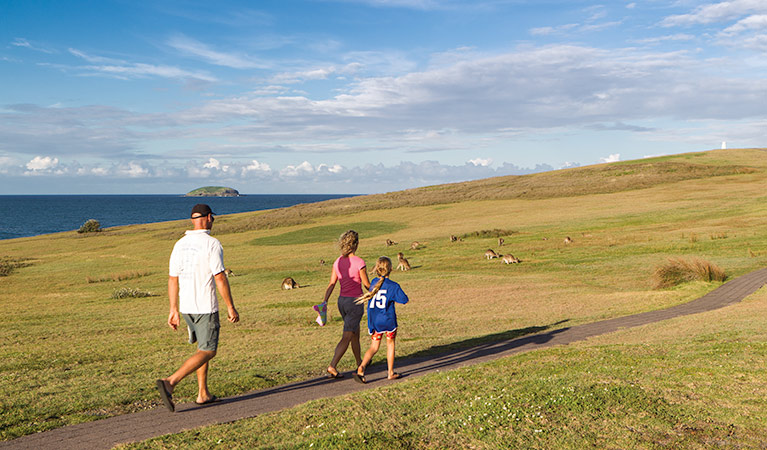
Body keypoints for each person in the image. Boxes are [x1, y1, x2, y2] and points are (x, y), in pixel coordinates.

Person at [155, 204, 239, 412]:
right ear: (209, 218)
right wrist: (230, 306)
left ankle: (203, 393)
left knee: (201, 348)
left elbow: (172, 279)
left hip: (186, 307)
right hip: (205, 306)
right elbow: (219, 277)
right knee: (209, 350)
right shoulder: (212, 244)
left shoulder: (179, 244)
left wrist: (173, 309)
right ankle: (170, 382)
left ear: (193, 220)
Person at [322, 230, 370, 378]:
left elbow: (332, 283)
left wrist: (325, 301)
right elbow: (367, 284)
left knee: (354, 333)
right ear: (355, 244)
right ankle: (333, 365)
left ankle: (359, 362)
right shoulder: (359, 262)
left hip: (341, 301)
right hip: (355, 302)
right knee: (347, 335)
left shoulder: (337, 261)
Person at [353, 256, 409, 384]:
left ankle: (361, 367)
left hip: (375, 320)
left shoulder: (373, 283)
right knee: (390, 344)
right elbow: (404, 300)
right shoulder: (393, 286)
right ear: (390, 269)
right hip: (388, 320)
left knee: (374, 347)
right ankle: (390, 372)